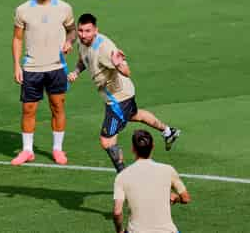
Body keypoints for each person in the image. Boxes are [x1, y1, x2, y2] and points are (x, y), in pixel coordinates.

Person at [68, 13, 180, 173]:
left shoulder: (105, 49)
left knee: (106, 141)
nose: (83, 35)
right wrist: (76, 72)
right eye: (81, 31)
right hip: (123, 93)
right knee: (135, 115)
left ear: (96, 30)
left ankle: (124, 176)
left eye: (88, 31)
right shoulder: (82, 42)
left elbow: (127, 71)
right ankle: (168, 131)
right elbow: (83, 60)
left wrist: (119, 65)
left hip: (118, 100)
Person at [11, 0, 76, 166]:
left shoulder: (64, 8)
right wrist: (16, 65)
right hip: (32, 67)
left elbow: (72, 30)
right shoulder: (23, 10)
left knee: (57, 107)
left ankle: (57, 149)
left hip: (56, 67)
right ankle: (27, 150)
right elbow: (17, 38)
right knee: (29, 109)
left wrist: (70, 42)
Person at [113, 129, 191, 233]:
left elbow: (117, 212)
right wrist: (175, 198)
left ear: (133, 149)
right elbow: (185, 198)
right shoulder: (168, 170)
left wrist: (120, 231)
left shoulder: (122, 176)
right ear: (153, 146)